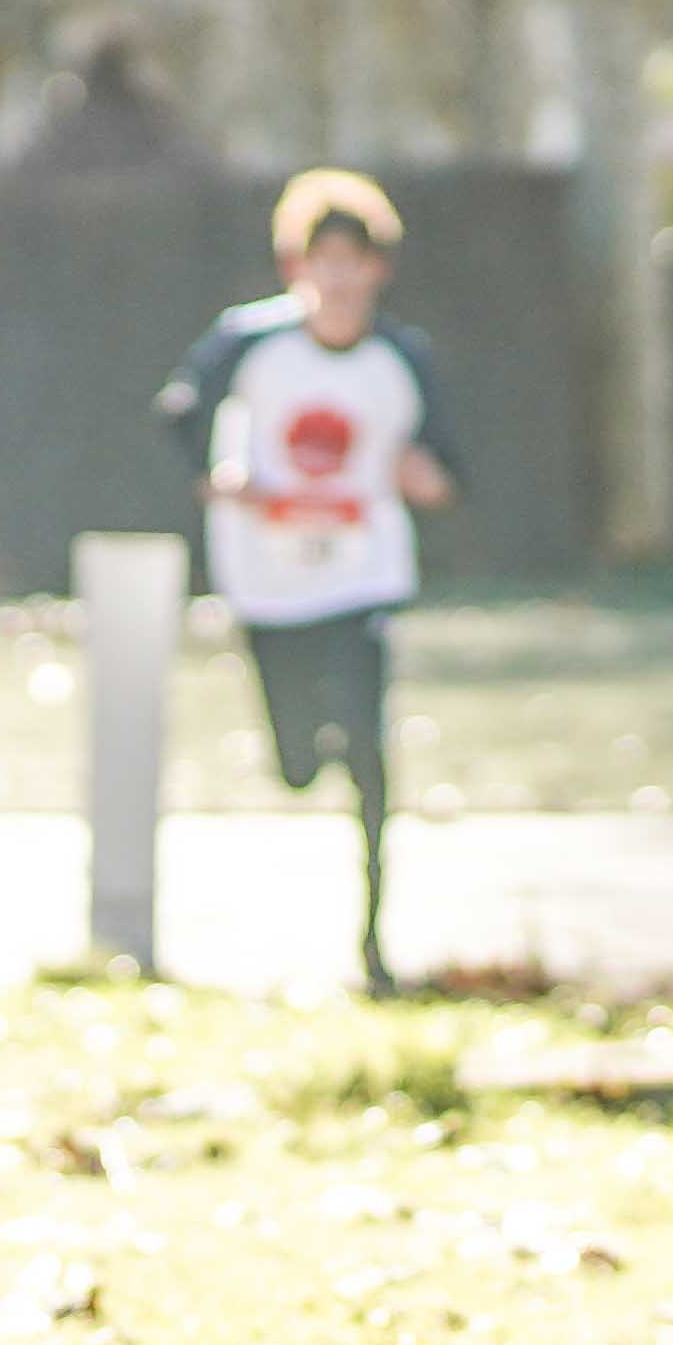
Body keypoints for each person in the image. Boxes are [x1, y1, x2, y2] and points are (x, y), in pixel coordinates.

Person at [160, 168, 458, 992]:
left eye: (351, 259)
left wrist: (426, 477)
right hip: (269, 580)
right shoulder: (248, 342)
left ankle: (372, 941)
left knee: (371, 756)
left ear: (376, 268)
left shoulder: (401, 357)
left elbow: (444, 460)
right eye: (319, 259)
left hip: (363, 576)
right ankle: (315, 736)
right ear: (296, 266)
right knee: (296, 762)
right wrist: (218, 477)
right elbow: (181, 412)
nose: (335, 276)